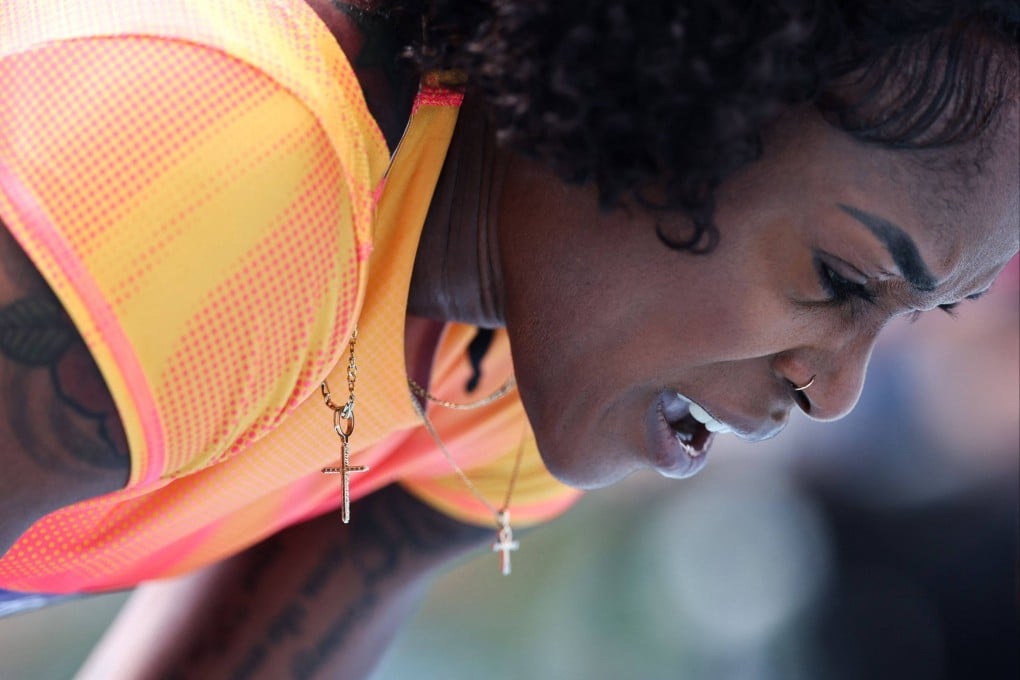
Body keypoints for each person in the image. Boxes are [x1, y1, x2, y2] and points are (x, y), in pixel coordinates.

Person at [0, 0, 1016, 677]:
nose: (835, 393)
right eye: (840, 278)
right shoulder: (226, 162)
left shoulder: (522, 358)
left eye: (916, 318)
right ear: (667, 90)